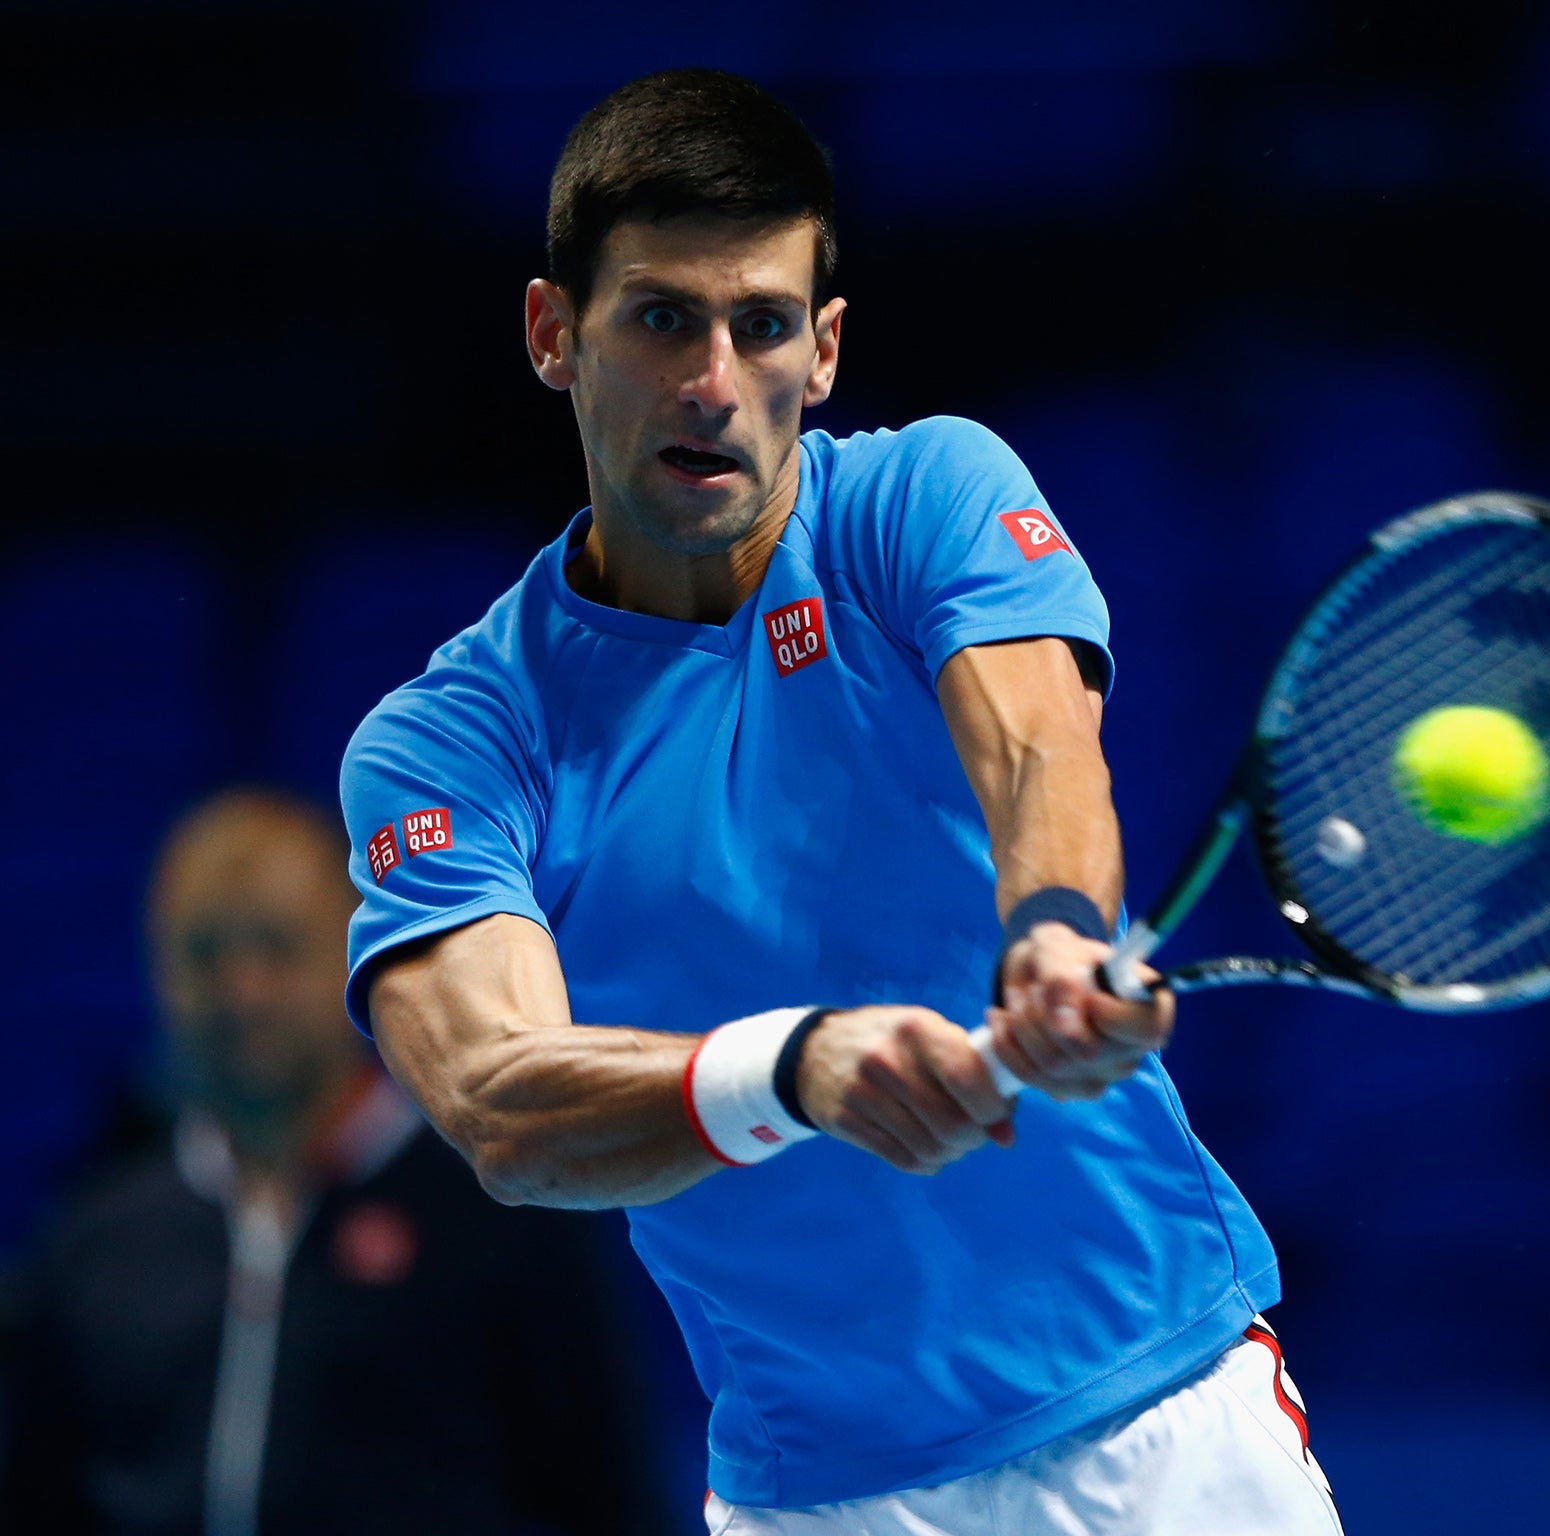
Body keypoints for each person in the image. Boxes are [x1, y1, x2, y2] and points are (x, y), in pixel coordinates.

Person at [341, 68, 1343, 1535]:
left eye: (759, 326)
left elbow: (1035, 750)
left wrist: (1055, 932)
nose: (711, 381)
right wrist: (791, 1069)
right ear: (556, 334)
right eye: (661, 317)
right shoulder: (454, 742)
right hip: (821, 1495)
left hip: (1165, 1428)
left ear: (823, 351)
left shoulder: (919, 498)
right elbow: (502, 1105)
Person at [1, 788, 680, 1536]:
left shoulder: (503, 1212)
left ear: (355, 953)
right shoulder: (99, 1239)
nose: (242, 991)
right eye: (205, 952)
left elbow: (613, 1500)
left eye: (277, 947)